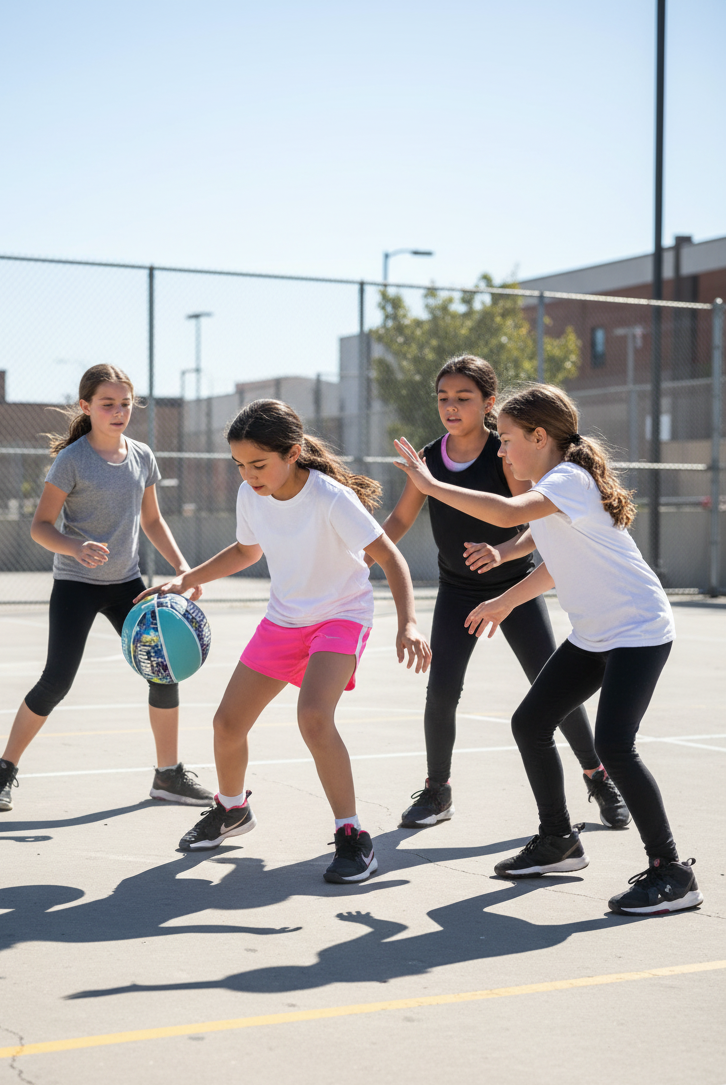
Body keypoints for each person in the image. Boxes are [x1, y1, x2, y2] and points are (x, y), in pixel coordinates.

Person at [393, 383, 702, 916]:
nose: (502, 449)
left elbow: (509, 515)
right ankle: (559, 840)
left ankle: (672, 873)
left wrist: (431, 483)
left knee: (615, 745)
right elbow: (553, 560)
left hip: (638, 630)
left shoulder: (567, 480)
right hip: (595, 634)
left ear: (540, 436)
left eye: (509, 438)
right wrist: (505, 601)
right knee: (530, 722)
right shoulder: (550, 487)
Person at [140, 398, 431, 883]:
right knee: (227, 723)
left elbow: (390, 556)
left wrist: (409, 623)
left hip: (341, 615)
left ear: (292, 453)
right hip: (284, 619)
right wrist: (187, 577)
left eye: (258, 464)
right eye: (239, 465)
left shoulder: (330, 497)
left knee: (314, 718)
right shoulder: (252, 496)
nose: (248, 475)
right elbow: (245, 549)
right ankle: (232, 809)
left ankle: (353, 837)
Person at [380, 355, 627, 831]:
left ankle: (597, 777)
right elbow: (400, 521)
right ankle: (437, 791)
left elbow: (530, 519)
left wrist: (503, 553)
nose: (451, 407)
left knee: (555, 689)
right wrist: (363, 554)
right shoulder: (430, 458)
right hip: (457, 591)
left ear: (489, 403)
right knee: (441, 691)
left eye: (463, 398)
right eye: (443, 398)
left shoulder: (505, 452)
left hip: (514, 588)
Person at [0, 363, 212, 812]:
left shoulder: (142, 455)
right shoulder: (73, 460)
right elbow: (40, 527)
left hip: (128, 585)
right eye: (108, 404)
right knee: (56, 681)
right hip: (77, 585)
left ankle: (168, 776)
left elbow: (153, 520)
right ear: (86, 407)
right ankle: (3, 768)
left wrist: (184, 571)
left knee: (162, 669)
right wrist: (74, 546)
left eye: (126, 404)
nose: (119, 411)